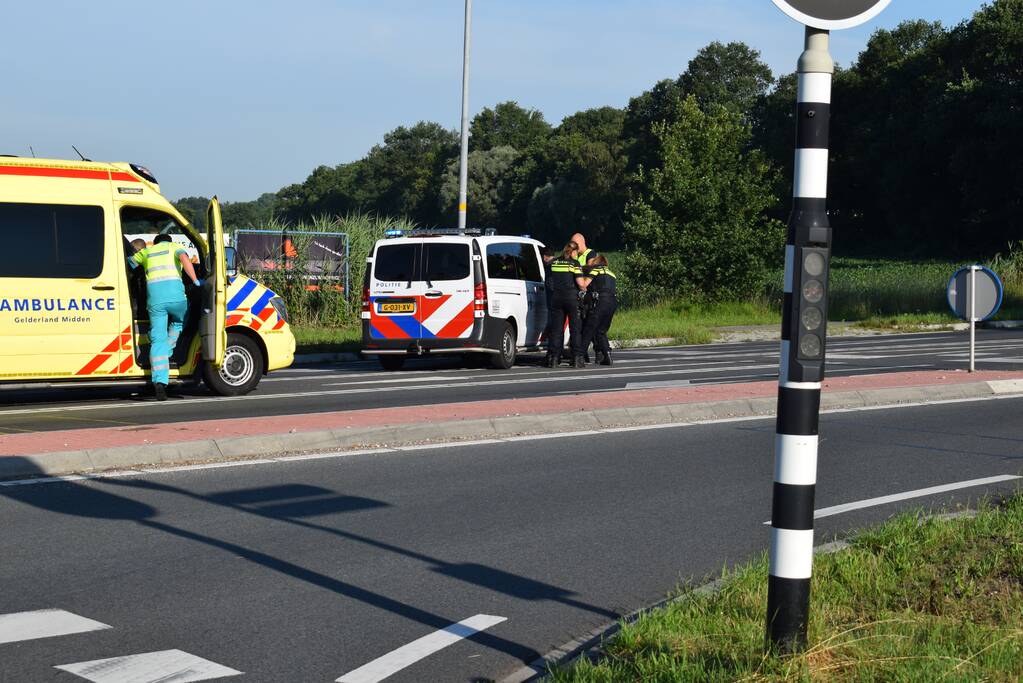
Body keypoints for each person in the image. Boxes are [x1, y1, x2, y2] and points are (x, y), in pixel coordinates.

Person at [129, 235, 201, 400]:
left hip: (155, 301)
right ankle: (168, 350)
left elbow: (130, 263)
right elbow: (184, 259)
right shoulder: (174, 247)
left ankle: (160, 382)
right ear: (169, 241)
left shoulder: (147, 251)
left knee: (157, 338)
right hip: (176, 299)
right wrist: (195, 280)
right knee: (178, 322)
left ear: (155, 243)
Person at [545, 241, 586, 368]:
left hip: (557, 298)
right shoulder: (574, 263)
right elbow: (581, 284)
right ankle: (577, 358)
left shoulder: (554, 262)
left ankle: (554, 358)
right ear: (574, 251)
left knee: (557, 330)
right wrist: (584, 287)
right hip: (571, 298)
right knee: (575, 329)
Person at [577, 254, 618, 366]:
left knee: (589, 329)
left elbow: (585, 284)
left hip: (601, 302)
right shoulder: (612, 274)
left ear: (597, 262)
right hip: (613, 302)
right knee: (601, 331)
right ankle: (607, 356)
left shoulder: (595, 271)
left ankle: (579, 357)